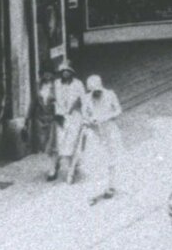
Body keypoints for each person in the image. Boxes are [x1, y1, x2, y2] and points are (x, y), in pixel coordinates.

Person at [79, 73, 123, 201]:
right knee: (97, 159)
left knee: (112, 157)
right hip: (95, 132)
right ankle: (97, 188)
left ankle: (111, 186)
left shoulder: (110, 94)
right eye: (93, 91)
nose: (96, 93)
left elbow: (118, 110)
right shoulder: (86, 98)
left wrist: (107, 117)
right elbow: (84, 114)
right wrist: (89, 120)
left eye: (98, 91)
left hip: (109, 129)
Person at [47, 63, 86, 180]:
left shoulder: (78, 84)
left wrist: (76, 106)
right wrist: (55, 111)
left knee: (72, 142)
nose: (65, 73)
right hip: (60, 117)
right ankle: (54, 167)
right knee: (57, 143)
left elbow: (84, 99)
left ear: (72, 72)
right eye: (63, 71)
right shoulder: (56, 83)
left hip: (74, 116)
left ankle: (72, 168)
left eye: (67, 71)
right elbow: (50, 98)